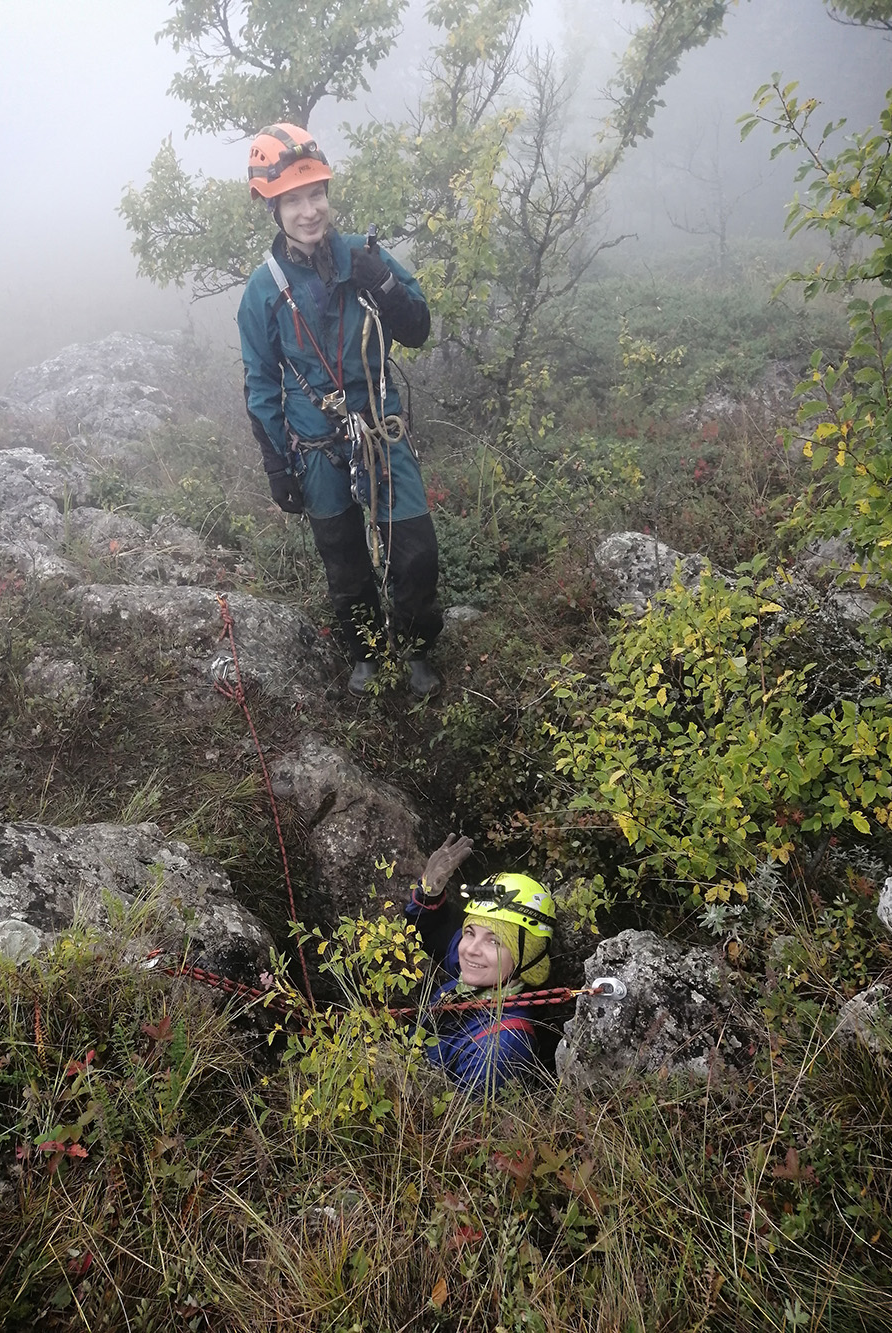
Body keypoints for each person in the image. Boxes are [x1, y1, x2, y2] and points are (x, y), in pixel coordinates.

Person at [238, 123, 443, 698]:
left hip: (381, 431)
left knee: (417, 552)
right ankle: (367, 652)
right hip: (317, 448)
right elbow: (260, 382)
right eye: (295, 200)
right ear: (274, 209)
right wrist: (277, 466)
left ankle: (416, 646)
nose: (310, 211)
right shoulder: (263, 291)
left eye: (317, 194)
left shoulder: (365, 259)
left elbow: (418, 330)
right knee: (345, 562)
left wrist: (390, 289)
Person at [405, 833, 556, 1093]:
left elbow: (458, 1126)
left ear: (526, 955)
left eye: (494, 942)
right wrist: (429, 892)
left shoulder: (501, 1046)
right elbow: (430, 933)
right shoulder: (477, 978)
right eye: (470, 932)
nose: (470, 950)